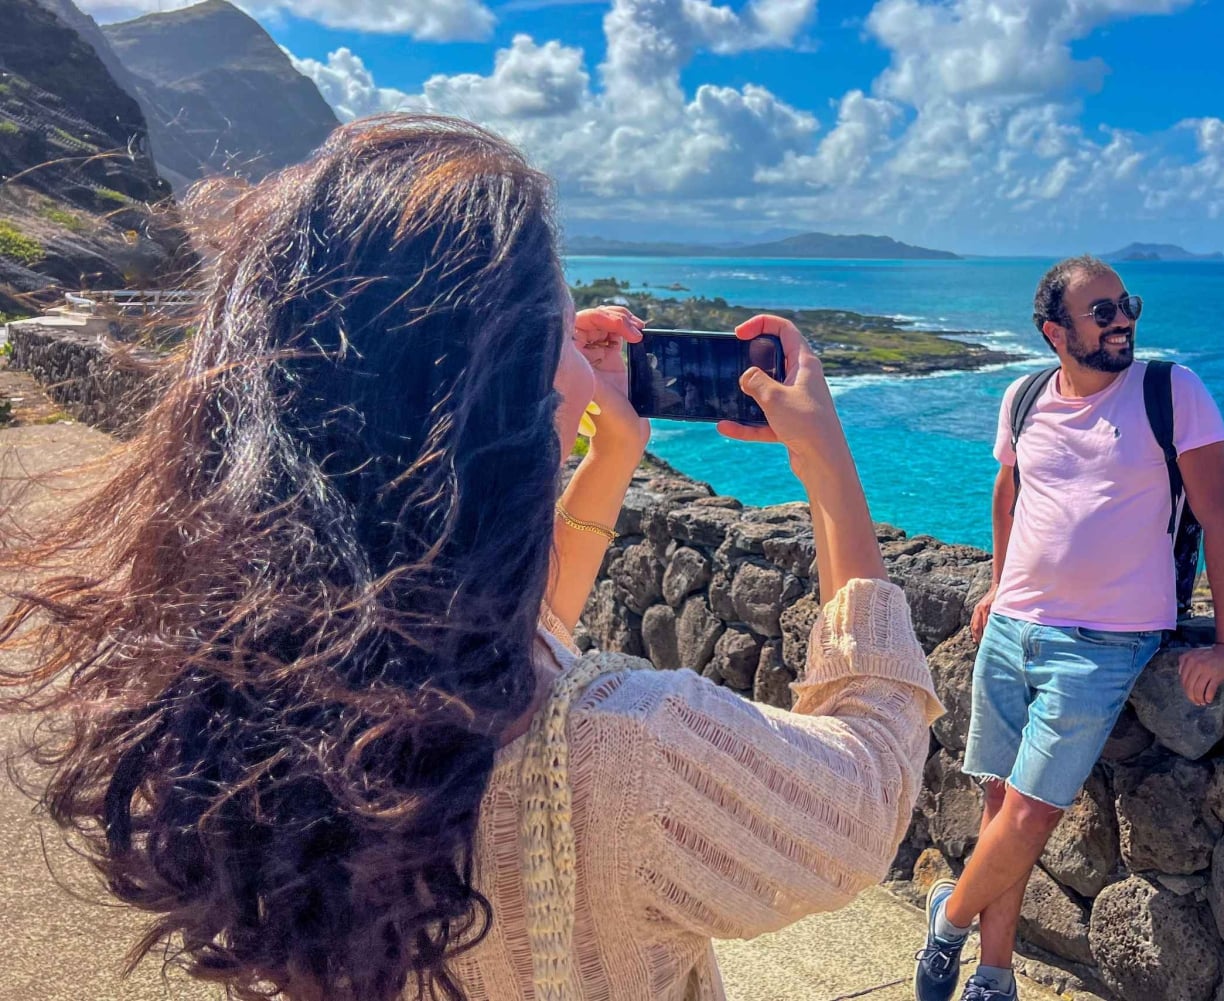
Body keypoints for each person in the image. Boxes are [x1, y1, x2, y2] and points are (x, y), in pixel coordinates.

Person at [0, 114, 941, 1001]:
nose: (578, 354)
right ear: (507, 393)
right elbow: (867, 783)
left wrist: (609, 446)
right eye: (555, 334)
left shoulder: (245, 687)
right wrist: (826, 461)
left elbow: (518, 636)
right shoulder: (619, 751)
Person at [914, 255, 1224, 1001]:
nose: (1123, 317)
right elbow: (1009, 491)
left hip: (1107, 639)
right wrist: (999, 584)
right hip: (1012, 627)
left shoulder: (1172, 392)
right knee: (1002, 806)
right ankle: (993, 979)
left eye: (1126, 303)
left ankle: (948, 918)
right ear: (1054, 331)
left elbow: (1221, 517)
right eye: (1102, 311)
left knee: (1032, 811)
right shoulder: (1025, 394)